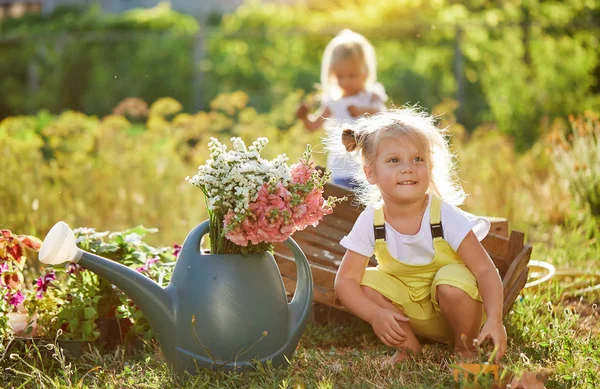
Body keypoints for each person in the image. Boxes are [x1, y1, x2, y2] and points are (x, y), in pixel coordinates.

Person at [331, 108, 507, 366]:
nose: (408, 169)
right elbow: (344, 281)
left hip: (460, 314)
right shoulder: (372, 220)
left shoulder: (442, 215)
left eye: (417, 159)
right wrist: (375, 315)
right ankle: (409, 349)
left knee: (451, 281)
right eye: (394, 161)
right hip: (410, 314)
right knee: (363, 281)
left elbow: (484, 270)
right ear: (371, 173)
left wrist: (495, 319)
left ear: (429, 167)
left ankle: (466, 350)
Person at [296, 29, 387, 189]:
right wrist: (304, 116)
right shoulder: (334, 102)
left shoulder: (371, 97)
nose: (346, 81)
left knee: (369, 207)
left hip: (371, 167)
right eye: (340, 76)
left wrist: (363, 110)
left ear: (365, 72)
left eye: (352, 76)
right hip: (342, 169)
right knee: (344, 205)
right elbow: (313, 126)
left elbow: (384, 117)